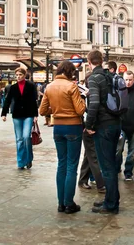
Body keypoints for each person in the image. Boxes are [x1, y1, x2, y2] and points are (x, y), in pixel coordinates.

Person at [39, 61, 86, 214]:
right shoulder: (71, 86)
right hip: (73, 126)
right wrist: (84, 99)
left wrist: (57, 109)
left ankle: (60, 203)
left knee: (62, 164)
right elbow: (80, 110)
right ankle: (69, 203)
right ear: (68, 72)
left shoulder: (49, 86)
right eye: (72, 72)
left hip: (57, 128)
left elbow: (42, 110)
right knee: (72, 165)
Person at [85, 50, 121, 215]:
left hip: (103, 125)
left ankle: (111, 204)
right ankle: (111, 200)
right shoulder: (109, 76)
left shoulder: (94, 78)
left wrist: (89, 124)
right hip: (115, 123)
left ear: (89, 61)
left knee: (106, 166)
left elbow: (94, 104)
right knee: (111, 164)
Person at [1, 67, 39, 170]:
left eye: (20, 75)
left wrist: (36, 115)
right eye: (17, 75)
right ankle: (21, 162)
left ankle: (29, 158)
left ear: (24, 75)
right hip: (17, 114)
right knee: (19, 139)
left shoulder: (31, 86)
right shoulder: (12, 87)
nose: (18, 77)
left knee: (26, 136)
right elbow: (7, 101)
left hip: (28, 114)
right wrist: (4, 113)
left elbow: (34, 101)